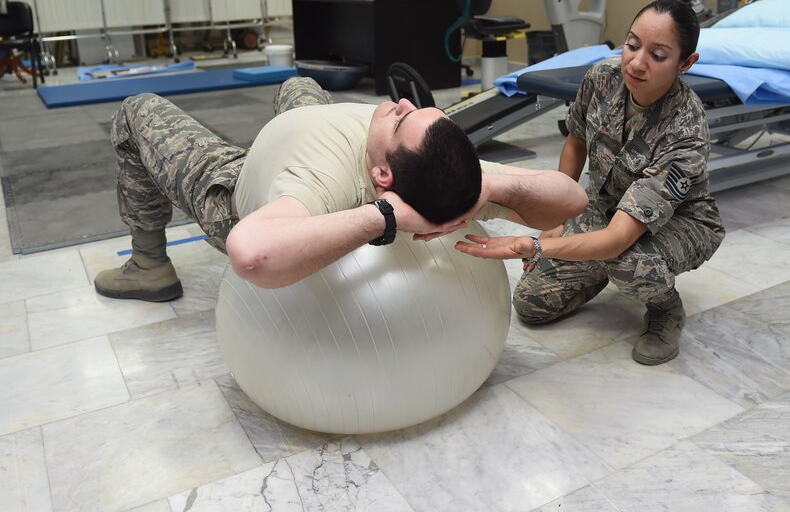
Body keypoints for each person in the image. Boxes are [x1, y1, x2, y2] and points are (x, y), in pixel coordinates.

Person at [94, 77, 588, 301]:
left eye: (402, 120)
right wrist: (489, 185)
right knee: (298, 84)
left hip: (235, 182)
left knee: (137, 109)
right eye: (418, 111)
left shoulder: (322, 182)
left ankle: (148, 266)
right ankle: (299, 100)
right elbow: (573, 198)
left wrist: (387, 216)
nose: (400, 103)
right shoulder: (451, 168)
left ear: (382, 177)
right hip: (304, 137)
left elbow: (252, 254)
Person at [455, 0, 726, 366]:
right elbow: (576, 142)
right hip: (606, 205)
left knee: (627, 260)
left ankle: (665, 308)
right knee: (532, 305)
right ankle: (595, 262)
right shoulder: (602, 78)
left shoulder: (686, 130)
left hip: (682, 221)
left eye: (658, 55)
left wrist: (536, 246)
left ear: (685, 63)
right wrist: (556, 216)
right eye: (632, 45)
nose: (636, 63)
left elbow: (618, 239)